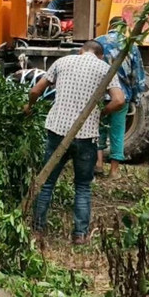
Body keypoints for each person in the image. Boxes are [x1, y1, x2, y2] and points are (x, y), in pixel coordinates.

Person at [26, 42, 125, 244]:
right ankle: (80, 234)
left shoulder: (62, 62)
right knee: (82, 186)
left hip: (57, 131)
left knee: (46, 183)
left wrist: (29, 106)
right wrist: (101, 112)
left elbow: (36, 91)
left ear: (81, 51)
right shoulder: (105, 69)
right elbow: (119, 100)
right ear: (100, 55)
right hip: (86, 136)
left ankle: (37, 229)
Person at [96, 18, 147, 178]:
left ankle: (98, 164)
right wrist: (136, 97)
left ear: (110, 26)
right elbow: (137, 74)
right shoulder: (131, 45)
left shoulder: (98, 42)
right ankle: (114, 171)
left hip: (100, 95)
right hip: (121, 97)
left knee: (98, 129)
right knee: (117, 132)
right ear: (124, 28)